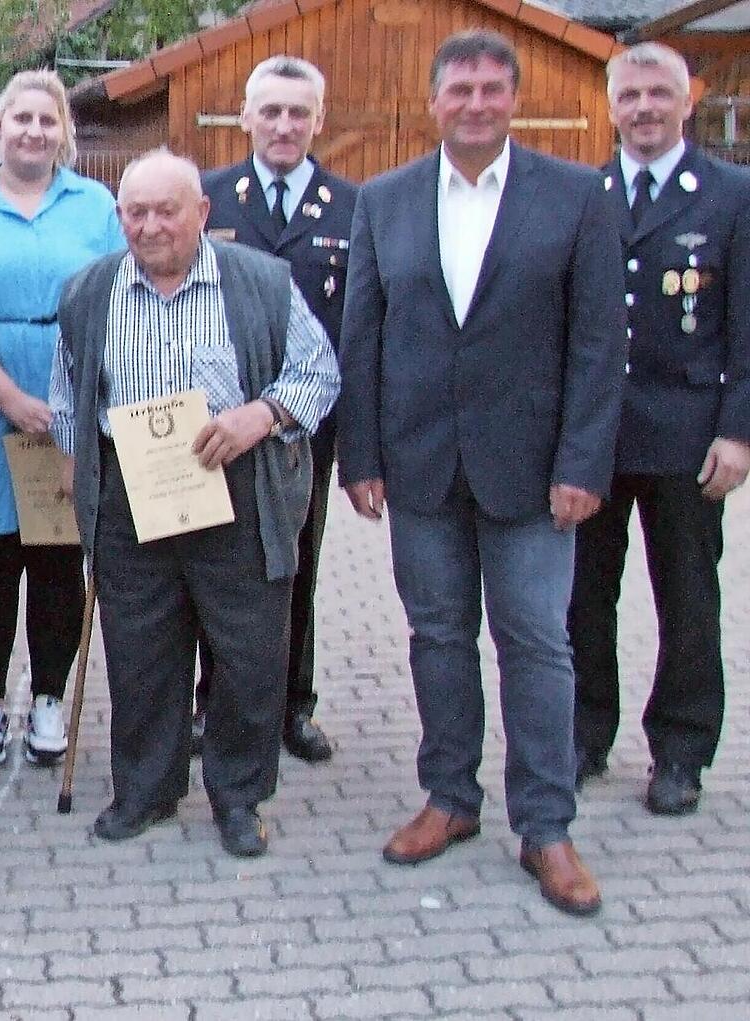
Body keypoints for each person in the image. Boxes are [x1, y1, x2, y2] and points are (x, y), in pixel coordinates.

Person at [337, 30, 626, 917]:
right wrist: (363, 456)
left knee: (537, 643)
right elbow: (364, 332)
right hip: (421, 463)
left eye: (490, 90)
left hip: (536, 474)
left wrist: (584, 462)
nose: (474, 103)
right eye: (457, 89)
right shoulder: (384, 200)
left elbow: (597, 344)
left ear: (514, 99)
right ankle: (450, 799)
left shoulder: (577, 197)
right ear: (433, 101)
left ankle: (546, 825)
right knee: (436, 636)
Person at [50, 149, 339, 858]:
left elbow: (319, 370)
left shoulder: (261, 283)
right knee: (142, 650)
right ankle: (145, 790)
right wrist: (78, 459)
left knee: (246, 653)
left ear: (202, 213)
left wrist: (261, 415)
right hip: (131, 490)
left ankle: (239, 797)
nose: (149, 226)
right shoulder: (89, 291)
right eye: (135, 212)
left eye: (166, 210)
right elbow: (67, 391)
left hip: (237, 489)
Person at [571, 42, 750, 816]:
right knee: (581, 597)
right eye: (630, 95)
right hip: (596, 437)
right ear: (610, 105)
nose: (643, 108)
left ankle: (680, 749)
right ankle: (583, 734)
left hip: (687, 435)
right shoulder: (584, 192)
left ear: (688, 100)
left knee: (687, 598)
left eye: (658, 94)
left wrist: (739, 431)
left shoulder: (732, 194)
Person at [191, 56, 358, 766]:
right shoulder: (206, 199)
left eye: (299, 112)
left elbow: (360, 326)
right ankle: (212, 704)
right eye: (271, 111)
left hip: (301, 427)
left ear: (319, 120)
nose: (284, 125)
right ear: (245, 117)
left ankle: (293, 704)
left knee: (295, 567)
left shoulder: (354, 207)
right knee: (210, 564)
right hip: (213, 426)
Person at [0, 70, 119, 770]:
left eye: (47, 120)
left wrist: (68, 402)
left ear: (64, 132)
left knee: (57, 560)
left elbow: (118, 300)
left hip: (70, 404)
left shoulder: (95, 205)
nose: (33, 131)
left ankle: (49, 697)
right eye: (20, 118)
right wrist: (9, 396)